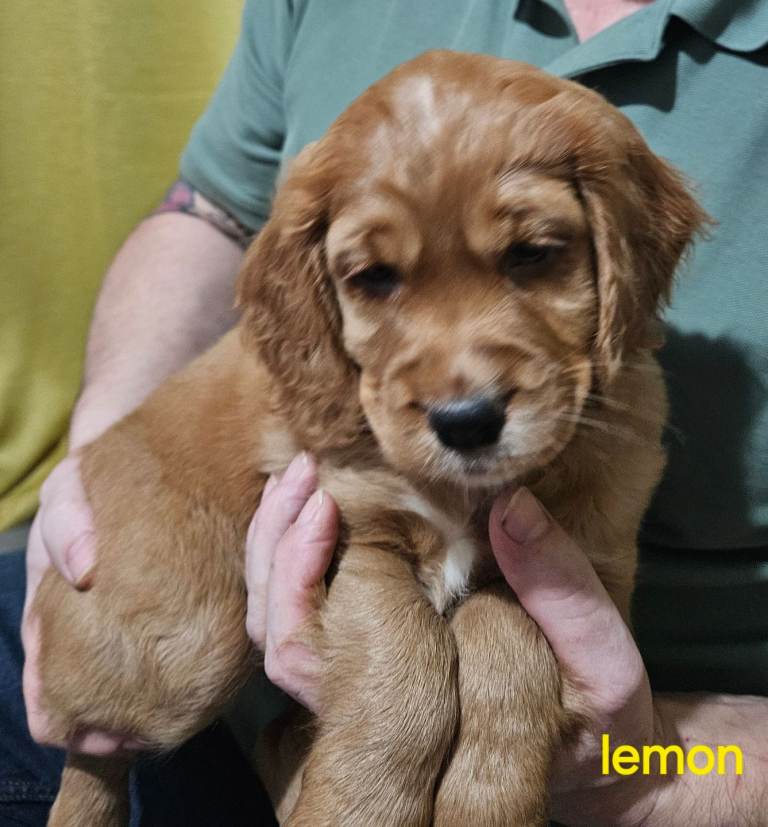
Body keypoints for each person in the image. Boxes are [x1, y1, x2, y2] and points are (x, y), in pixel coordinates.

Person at [2, 0, 767, 823]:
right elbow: (215, 210)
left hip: (680, 757)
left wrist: (652, 771)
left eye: (531, 254)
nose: (460, 388)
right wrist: (105, 449)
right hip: (236, 673)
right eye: (375, 276)